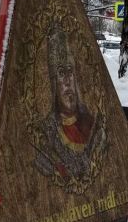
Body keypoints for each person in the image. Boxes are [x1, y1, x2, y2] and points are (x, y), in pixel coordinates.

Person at [34, 28, 106, 189]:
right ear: (53, 83)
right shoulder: (46, 132)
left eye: (70, 72)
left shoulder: (92, 124)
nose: (67, 80)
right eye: (61, 73)